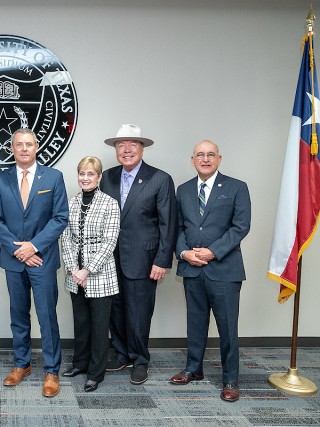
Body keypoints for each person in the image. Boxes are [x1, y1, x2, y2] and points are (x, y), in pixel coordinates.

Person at [0, 128, 69, 398]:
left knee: (47, 316)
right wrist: (19, 251)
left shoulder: (54, 177)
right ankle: (21, 364)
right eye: (18, 145)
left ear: (37, 147)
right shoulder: (1, 180)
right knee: (18, 315)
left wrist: (33, 247)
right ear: (11, 149)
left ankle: (51, 369)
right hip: (14, 261)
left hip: (42, 259)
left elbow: (60, 218)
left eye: (28, 144)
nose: (23, 149)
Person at [170, 140, 250, 403]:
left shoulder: (237, 187)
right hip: (192, 268)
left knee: (227, 327)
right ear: (192, 160)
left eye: (210, 155)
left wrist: (213, 251)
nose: (205, 159)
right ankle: (194, 368)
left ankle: (230, 378)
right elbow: (177, 228)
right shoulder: (182, 190)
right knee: (195, 323)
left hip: (224, 269)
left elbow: (240, 227)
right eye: (200, 155)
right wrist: (184, 253)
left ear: (219, 158)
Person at [100, 124, 177, 385]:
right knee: (116, 310)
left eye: (133, 144)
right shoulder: (107, 177)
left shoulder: (159, 178)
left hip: (144, 260)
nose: (127, 150)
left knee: (139, 313)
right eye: (121, 145)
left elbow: (169, 224)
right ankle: (122, 354)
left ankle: (140, 359)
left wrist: (162, 260)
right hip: (110, 259)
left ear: (142, 148)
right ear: (115, 150)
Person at [60, 156, 120, 392]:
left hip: (100, 274)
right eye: (82, 174)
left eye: (90, 174)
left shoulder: (109, 203)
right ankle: (80, 364)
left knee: (98, 325)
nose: (85, 178)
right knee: (81, 323)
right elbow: (65, 237)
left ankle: (95, 373)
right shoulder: (71, 202)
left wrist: (87, 269)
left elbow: (110, 241)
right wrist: (74, 269)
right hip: (75, 276)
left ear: (99, 177)